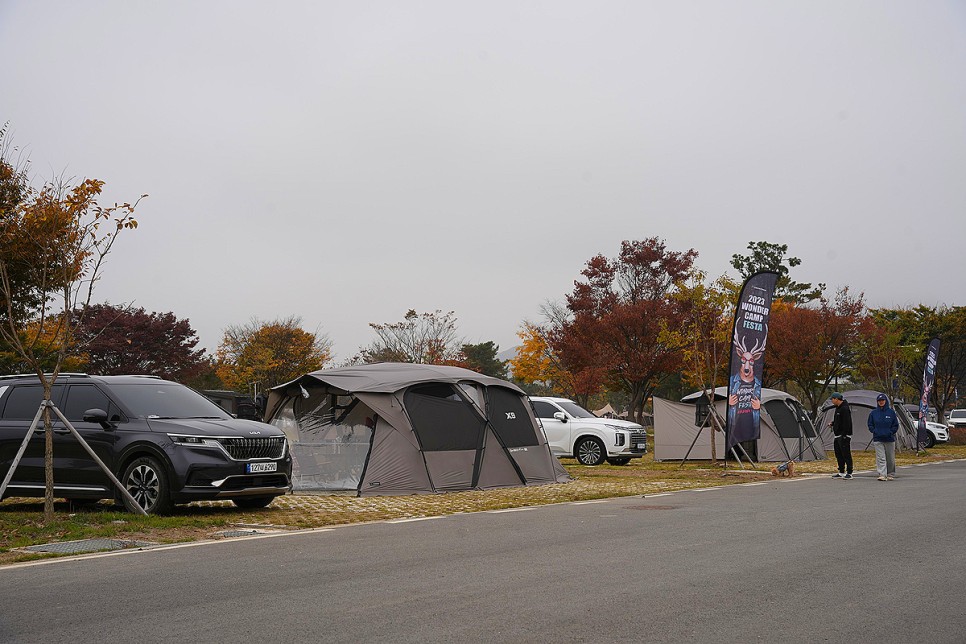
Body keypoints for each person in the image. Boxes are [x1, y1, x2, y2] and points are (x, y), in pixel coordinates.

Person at [868, 393, 899, 481]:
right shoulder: (873, 413)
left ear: (886, 401)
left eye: (882, 400)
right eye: (879, 401)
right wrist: (874, 431)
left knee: (890, 458)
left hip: (889, 439)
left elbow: (895, 425)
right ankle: (882, 474)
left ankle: (890, 473)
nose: (881, 402)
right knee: (880, 457)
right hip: (878, 438)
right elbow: (870, 424)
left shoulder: (891, 412)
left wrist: (891, 432)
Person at [828, 392, 853, 479]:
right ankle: (841, 471)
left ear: (836, 399)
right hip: (837, 435)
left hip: (844, 435)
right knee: (838, 454)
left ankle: (849, 472)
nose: (832, 401)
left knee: (846, 454)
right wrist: (833, 423)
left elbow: (847, 422)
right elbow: (839, 420)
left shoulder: (845, 408)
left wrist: (845, 434)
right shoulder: (838, 408)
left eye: (832, 399)